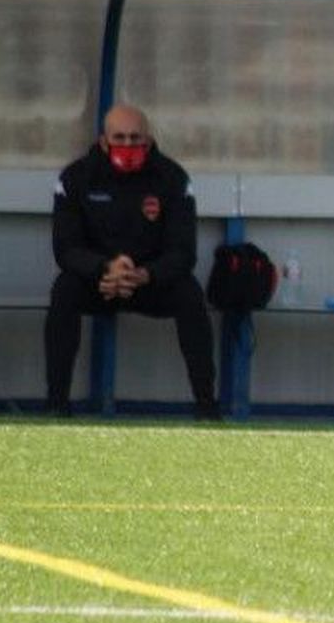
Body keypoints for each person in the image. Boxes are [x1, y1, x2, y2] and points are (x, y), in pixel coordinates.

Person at [46, 104, 219, 419]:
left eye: (135, 138)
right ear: (103, 141)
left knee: (190, 294)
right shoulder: (76, 178)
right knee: (64, 290)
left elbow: (183, 252)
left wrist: (145, 274)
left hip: (149, 282)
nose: (128, 146)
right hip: (99, 280)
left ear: (149, 140)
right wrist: (105, 268)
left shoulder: (172, 178)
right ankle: (56, 404)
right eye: (120, 138)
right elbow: (66, 249)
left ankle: (207, 406)